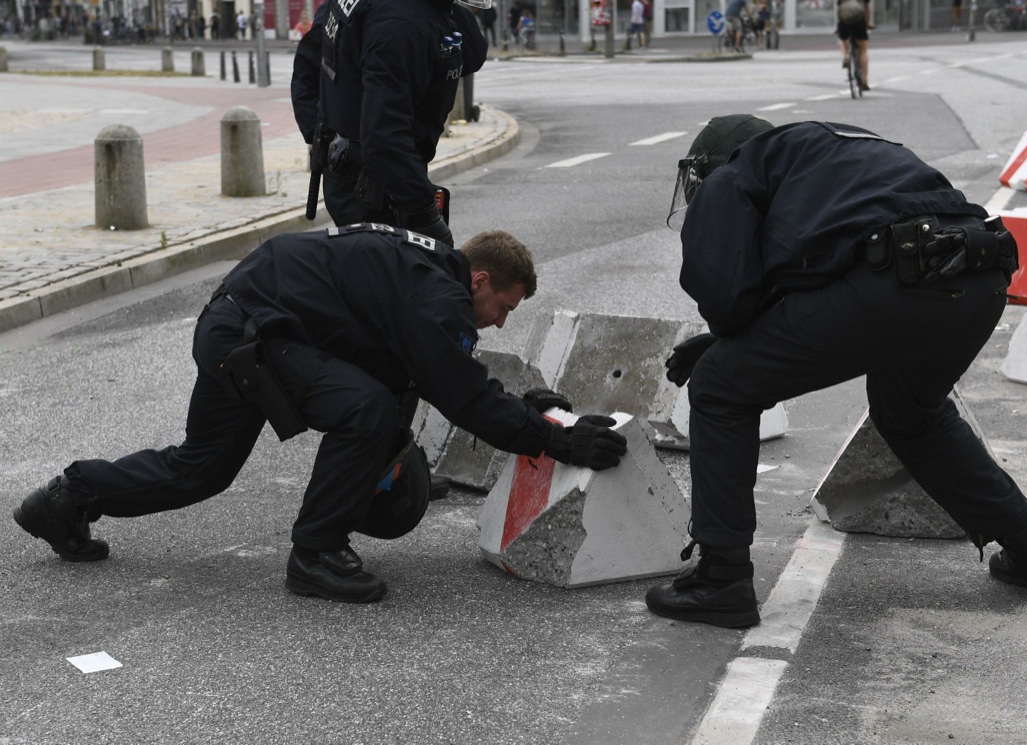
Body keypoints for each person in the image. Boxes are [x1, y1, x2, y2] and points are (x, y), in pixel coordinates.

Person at [12, 228, 628, 604]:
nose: (501, 320)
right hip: (251, 331)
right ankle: (315, 553)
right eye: (503, 306)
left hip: (243, 322)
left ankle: (67, 497)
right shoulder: (434, 296)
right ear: (481, 279)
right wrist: (562, 445)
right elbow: (462, 396)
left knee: (201, 470)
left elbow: (443, 373)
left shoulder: (425, 280)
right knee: (362, 409)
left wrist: (534, 411)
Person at [647, 114, 1027, 629]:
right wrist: (730, 340)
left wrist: (723, 345)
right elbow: (827, 267)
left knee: (719, 385)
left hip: (894, 276)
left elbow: (728, 298)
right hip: (980, 274)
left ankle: (721, 578)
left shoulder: (735, 172)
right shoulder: (830, 149)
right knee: (912, 415)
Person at [290, 0, 488, 246]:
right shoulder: (401, 23)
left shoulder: (413, 15)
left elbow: (473, 53)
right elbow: (384, 138)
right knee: (394, 278)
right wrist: (426, 217)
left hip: (352, 175)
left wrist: (326, 140)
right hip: (381, 188)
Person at [836, 0, 873, 91]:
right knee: (863, 50)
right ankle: (864, 80)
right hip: (859, 22)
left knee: (842, 39)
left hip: (844, 21)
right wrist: (867, 23)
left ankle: (845, 57)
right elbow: (867, 8)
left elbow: (839, 9)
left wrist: (839, 26)